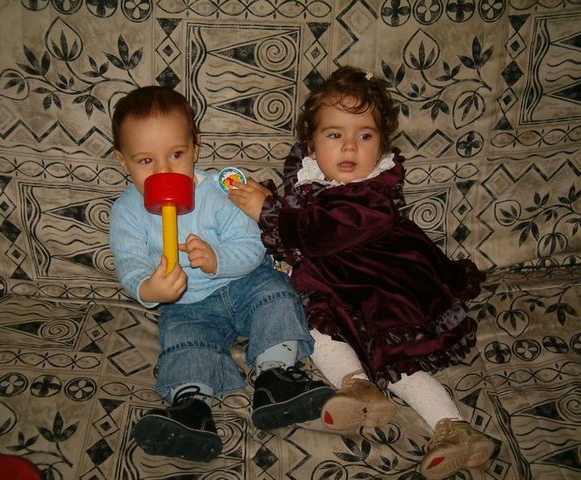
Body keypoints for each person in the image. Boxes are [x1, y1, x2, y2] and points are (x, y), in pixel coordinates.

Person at [228, 66, 494, 479]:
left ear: (381, 145)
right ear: (312, 145)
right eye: (335, 135)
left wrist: (268, 210)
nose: (350, 146)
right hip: (333, 288)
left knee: (397, 361)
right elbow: (298, 222)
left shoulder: (374, 194)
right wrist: (259, 201)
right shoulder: (310, 179)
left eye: (365, 136)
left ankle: (453, 426)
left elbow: (320, 232)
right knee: (314, 330)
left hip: (383, 286)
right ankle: (358, 386)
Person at [109, 86, 334, 462]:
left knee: (277, 294)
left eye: (176, 155)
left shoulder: (219, 190)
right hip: (188, 303)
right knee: (183, 338)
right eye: (146, 161)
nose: (164, 170)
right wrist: (150, 288)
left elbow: (252, 244)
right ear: (123, 161)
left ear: (195, 147)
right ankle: (192, 407)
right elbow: (129, 262)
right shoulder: (128, 211)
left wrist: (218, 260)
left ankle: (275, 376)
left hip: (244, 282)